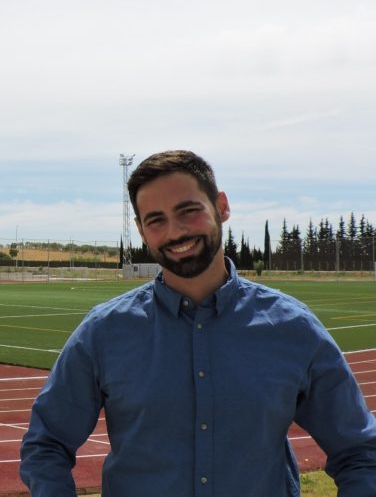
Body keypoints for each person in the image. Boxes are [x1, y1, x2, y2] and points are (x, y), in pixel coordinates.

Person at [19, 150, 376, 496]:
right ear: (142, 230)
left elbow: (360, 451)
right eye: (156, 220)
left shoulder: (292, 328)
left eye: (188, 211)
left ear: (221, 207)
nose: (175, 232)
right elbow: (47, 444)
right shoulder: (104, 332)